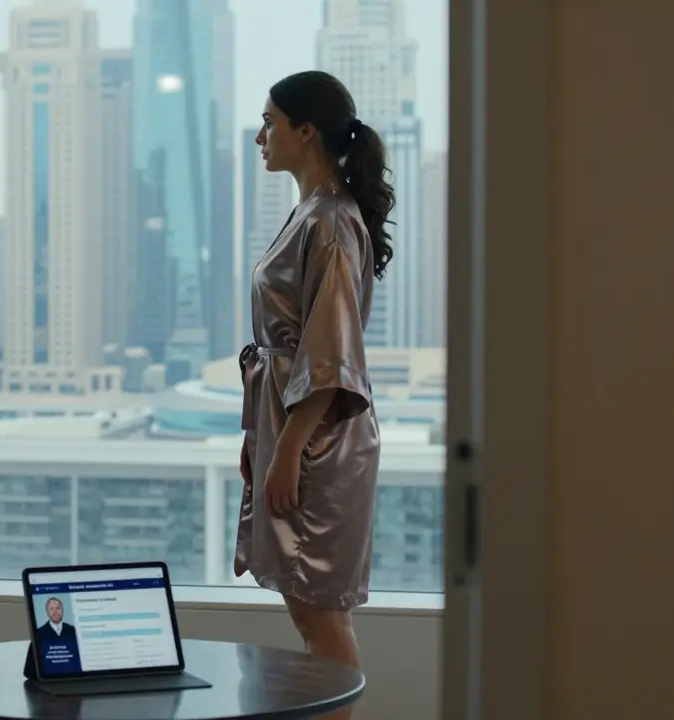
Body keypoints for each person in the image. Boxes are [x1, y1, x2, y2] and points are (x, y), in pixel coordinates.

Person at [234, 70, 393, 719]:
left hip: (319, 439)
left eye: (269, 121)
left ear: (306, 132)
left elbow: (331, 354)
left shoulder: (330, 222)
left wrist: (290, 449)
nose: (259, 136)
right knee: (311, 613)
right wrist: (263, 439)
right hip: (295, 428)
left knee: (321, 615)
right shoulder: (312, 213)